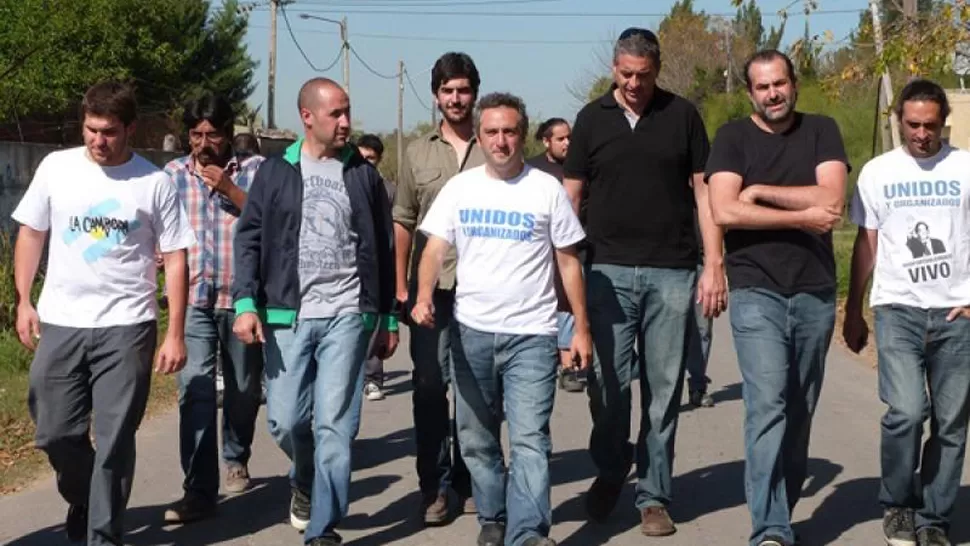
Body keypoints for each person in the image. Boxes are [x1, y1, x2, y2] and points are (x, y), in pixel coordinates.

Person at [12, 81, 194, 545]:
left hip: (126, 326)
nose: (98, 140)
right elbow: (32, 233)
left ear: (129, 129)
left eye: (109, 131)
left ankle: (103, 535)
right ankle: (86, 493)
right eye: (91, 130)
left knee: (115, 439)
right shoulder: (57, 167)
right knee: (53, 432)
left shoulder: (153, 182)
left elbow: (175, 258)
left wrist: (175, 332)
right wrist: (24, 299)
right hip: (62, 321)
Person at [563, 28, 725, 535]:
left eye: (644, 75)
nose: (634, 83)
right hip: (606, 271)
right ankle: (611, 472)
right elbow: (569, 199)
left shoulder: (682, 116)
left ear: (657, 69)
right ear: (615, 69)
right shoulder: (591, 119)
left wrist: (714, 263)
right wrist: (561, 273)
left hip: (672, 271)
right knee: (607, 387)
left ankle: (654, 494)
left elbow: (704, 195)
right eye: (626, 74)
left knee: (662, 389)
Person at [412, 92, 592, 546]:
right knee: (476, 438)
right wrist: (422, 295)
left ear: (522, 134)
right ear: (479, 135)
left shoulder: (545, 188)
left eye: (509, 131)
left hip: (531, 335)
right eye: (491, 131)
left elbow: (568, 261)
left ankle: (528, 531)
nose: (501, 140)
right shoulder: (462, 187)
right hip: (472, 332)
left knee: (531, 437)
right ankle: (493, 514)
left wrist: (581, 329)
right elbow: (434, 248)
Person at [231, 77, 398, 546]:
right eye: (336, 114)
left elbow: (383, 248)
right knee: (285, 420)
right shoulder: (276, 171)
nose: (346, 122)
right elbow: (250, 237)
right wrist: (246, 302)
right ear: (308, 117)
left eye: (348, 112)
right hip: (287, 316)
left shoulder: (363, 174)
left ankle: (322, 525)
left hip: (347, 313)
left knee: (334, 424)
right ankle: (303, 479)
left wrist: (385, 317)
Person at [706, 50, 848, 546]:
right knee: (767, 403)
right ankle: (769, 529)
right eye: (763, 87)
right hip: (755, 288)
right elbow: (723, 208)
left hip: (814, 289)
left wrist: (762, 191)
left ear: (794, 84)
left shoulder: (822, 130)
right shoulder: (731, 138)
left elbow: (832, 202)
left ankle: (780, 510)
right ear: (750, 92)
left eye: (780, 84)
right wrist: (800, 212)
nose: (773, 94)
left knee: (800, 407)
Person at [844, 79, 970, 546]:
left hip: (956, 314)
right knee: (907, 412)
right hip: (898, 309)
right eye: (913, 124)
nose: (921, 134)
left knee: (952, 422)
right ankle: (898, 504)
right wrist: (853, 309)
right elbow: (867, 242)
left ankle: (934, 518)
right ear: (899, 119)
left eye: (930, 125)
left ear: (944, 123)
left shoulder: (964, 167)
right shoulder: (878, 172)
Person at [161, 94, 266, 524]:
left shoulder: (255, 169)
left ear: (229, 133)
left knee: (243, 389)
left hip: (240, 298)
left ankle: (236, 454)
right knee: (196, 390)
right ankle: (199, 490)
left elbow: (267, 217)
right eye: (196, 134)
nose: (204, 143)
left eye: (213, 134)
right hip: (194, 300)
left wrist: (226, 187)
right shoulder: (171, 175)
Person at [392, 51, 484, 524]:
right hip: (430, 289)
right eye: (447, 90)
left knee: (477, 388)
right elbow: (404, 221)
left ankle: (472, 479)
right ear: (436, 96)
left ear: (475, 93)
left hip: (485, 291)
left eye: (463, 89)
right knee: (429, 386)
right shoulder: (415, 151)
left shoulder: (494, 145)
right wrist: (400, 287)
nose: (455, 98)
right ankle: (434, 484)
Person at [527, 118, 585, 394]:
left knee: (570, 304)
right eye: (561, 138)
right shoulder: (533, 171)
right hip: (539, 253)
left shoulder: (580, 167)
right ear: (546, 141)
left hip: (575, 249)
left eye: (569, 137)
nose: (567, 143)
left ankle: (569, 365)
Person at [356, 133, 396, 401]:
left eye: (371, 158)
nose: (366, 162)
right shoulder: (349, 184)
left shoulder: (389, 189)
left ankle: (372, 377)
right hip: (354, 264)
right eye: (362, 157)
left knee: (375, 323)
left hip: (380, 264)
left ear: (379, 159)